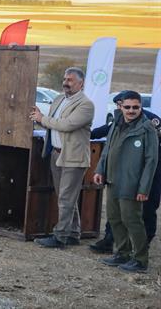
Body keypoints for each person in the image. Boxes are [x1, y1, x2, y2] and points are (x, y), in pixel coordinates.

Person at [94, 91, 158, 273]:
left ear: (141, 107)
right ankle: (122, 253)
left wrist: (144, 188)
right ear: (120, 106)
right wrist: (100, 169)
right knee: (115, 218)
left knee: (132, 221)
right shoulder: (116, 122)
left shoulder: (147, 128)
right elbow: (108, 148)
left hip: (132, 184)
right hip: (113, 180)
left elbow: (151, 161)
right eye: (127, 107)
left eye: (135, 107)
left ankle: (140, 260)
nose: (131, 111)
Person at [30, 67, 95, 248]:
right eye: (65, 79)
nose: (66, 83)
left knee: (66, 198)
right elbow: (53, 124)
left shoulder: (86, 104)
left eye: (70, 80)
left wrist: (42, 119)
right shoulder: (59, 99)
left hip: (73, 157)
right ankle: (73, 233)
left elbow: (67, 125)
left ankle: (60, 237)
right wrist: (39, 118)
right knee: (65, 197)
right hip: (56, 154)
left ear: (81, 84)